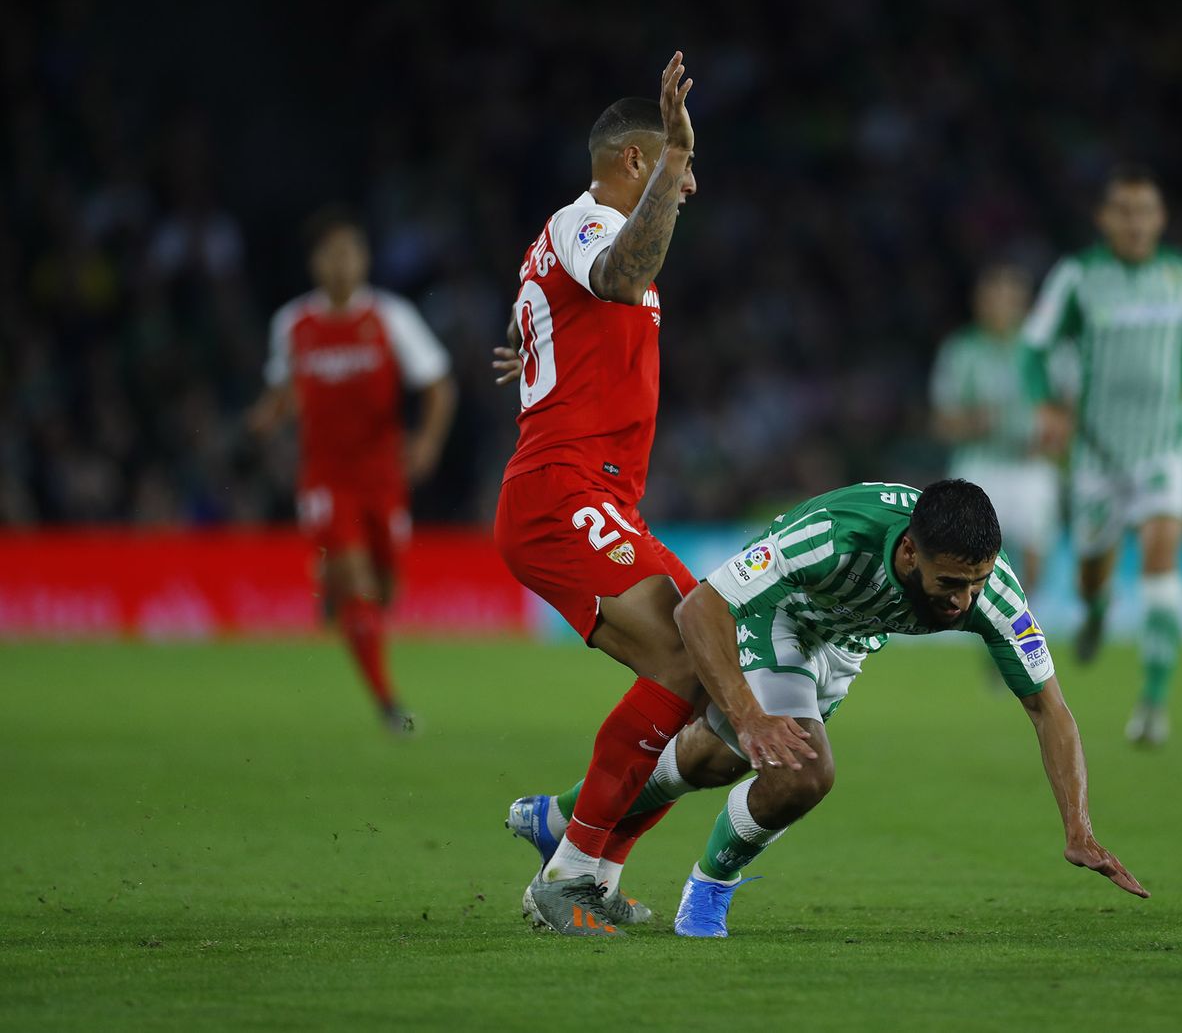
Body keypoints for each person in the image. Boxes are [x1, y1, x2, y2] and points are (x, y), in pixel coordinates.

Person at [509, 479, 1146, 937]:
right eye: (949, 584)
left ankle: (560, 816)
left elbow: (1049, 709)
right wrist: (752, 715)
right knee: (802, 773)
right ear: (908, 555)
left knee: (711, 761)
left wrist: (1079, 830)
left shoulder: (992, 596)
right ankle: (708, 894)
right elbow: (700, 607)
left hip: (844, 642)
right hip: (778, 615)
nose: (962, 601)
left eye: (975, 583)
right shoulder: (834, 536)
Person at [491, 52, 813, 937]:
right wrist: (674, 157)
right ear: (635, 160)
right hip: (562, 492)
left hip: (589, 495)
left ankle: (578, 849)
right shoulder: (586, 221)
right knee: (692, 648)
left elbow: (580, 316)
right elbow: (621, 277)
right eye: (678, 162)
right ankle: (568, 869)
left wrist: (534, 363)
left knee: (710, 660)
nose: (691, 182)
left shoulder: (575, 240)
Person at [248, 211, 456, 733]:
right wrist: (266, 419)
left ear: (364, 259)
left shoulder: (390, 317)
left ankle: (339, 598)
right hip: (324, 478)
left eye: (352, 252)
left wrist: (427, 442)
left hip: (383, 476)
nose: (343, 264)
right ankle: (389, 706)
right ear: (315, 262)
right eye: (332, 253)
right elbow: (284, 389)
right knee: (357, 582)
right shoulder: (292, 324)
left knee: (385, 589)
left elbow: (437, 384)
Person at [1020, 164, 1182, 746]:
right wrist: (1045, 404)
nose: (1134, 222)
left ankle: (1153, 703)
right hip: (1099, 452)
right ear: (1104, 218)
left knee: (1161, 560)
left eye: (1145, 210)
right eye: (1123, 210)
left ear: (1161, 217)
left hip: (1166, 444)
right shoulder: (1078, 277)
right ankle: (1097, 610)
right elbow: (1033, 347)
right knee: (1091, 575)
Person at [930, 262, 1065, 592]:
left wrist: (1055, 436)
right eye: (992, 296)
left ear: (1024, 302)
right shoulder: (960, 351)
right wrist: (973, 422)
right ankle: (983, 622)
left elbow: (1070, 410)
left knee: (1035, 557)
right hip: (980, 465)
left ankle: (1022, 617)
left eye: (1009, 296)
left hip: (1031, 464)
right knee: (971, 557)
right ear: (979, 301)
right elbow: (941, 422)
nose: (1000, 304)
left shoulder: (1044, 350)